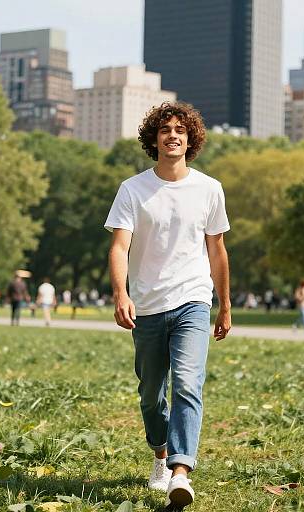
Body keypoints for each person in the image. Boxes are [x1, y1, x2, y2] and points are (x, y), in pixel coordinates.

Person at [105, 102, 231, 510]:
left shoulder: (209, 188)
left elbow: (217, 251)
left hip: (193, 299)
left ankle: (180, 471)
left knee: (188, 384)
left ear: (190, 139)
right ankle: (160, 454)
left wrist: (224, 304)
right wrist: (122, 294)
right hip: (147, 305)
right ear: (154, 139)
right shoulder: (133, 189)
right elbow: (120, 245)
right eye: (165, 129)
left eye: (180, 129)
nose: (173, 135)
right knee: (151, 394)